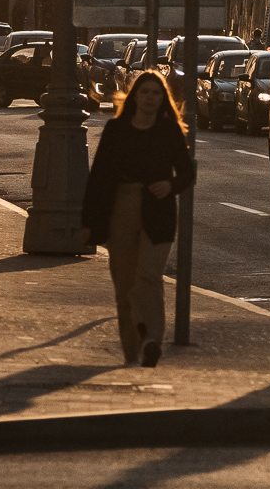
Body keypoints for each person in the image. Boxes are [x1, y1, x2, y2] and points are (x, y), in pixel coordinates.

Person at [82, 72, 195, 367]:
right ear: (134, 96)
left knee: (148, 275)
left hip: (158, 211)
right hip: (121, 208)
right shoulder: (116, 129)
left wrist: (170, 185)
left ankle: (151, 339)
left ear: (163, 99)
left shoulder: (169, 131)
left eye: (156, 93)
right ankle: (132, 352)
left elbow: (187, 172)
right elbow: (98, 178)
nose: (149, 98)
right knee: (124, 286)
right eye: (144, 92)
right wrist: (88, 223)